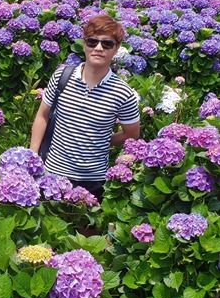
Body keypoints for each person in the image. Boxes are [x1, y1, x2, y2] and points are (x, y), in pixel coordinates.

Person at [30, 15, 140, 201]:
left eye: (107, 44)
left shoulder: (123, 93)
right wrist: (32, 156)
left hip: (93, 181)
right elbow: (42, 116)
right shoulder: (61, 76)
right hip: (53, 173)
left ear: (116, 49)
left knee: (86, 228)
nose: (98, 48)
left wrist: (101, 140)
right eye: (92, 41)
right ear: (84, 44)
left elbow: (132, 135)